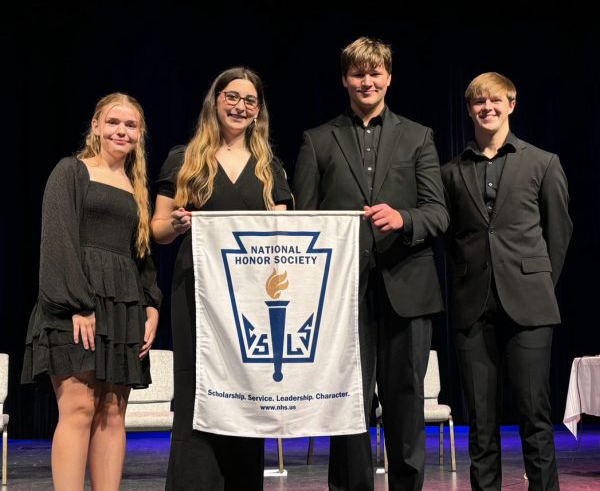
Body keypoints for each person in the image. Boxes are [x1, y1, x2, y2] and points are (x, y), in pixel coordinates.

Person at [293, 37, 448, 491]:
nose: (367, 81)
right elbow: (305, 221)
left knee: (406, 404)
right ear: (345, 79)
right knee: (348, 405)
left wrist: (404, 218)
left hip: (408, 288)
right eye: (358, 73)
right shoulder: (317, 140)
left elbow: (437, 212)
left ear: (388, 78)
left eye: (375, 72)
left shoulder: (418, 136)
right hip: (342, 296)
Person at [151, 66, 292, 490]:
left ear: (258, 111)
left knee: (246, 390)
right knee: (196, 392)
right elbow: (156, 229)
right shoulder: (184, 157)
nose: (240, 106)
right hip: (195, 292)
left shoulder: (271, 166)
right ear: (216, 100)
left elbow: (283, 236)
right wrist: (176, 224)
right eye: (232, 96)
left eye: (250, 100)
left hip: (251, 299)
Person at [21, 92, 162, 491]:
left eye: (130, 125)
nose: (121, 130)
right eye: (113, 122)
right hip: (74, 304)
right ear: (96, 126)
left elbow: (141, 251)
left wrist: (151, 304)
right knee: (80, 407)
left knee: (113, 413)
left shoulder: (136, 186)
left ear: (140, 135)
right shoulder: (72, 171)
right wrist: (77, 305)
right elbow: (58, 239)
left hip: (122, 305)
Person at [441, 72, 572, 491]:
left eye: (496, 100)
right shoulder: (452, 171)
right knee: (480, 421)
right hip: (472, 304)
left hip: (529, 304)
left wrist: (539, 281)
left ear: (511, 104)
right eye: (479, 102)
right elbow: (450, 237)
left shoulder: (542, 162)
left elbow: (559, 231)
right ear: (469, 110)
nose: (487, 108)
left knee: (534, 413)